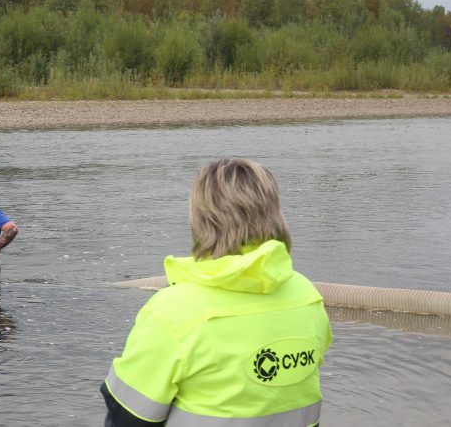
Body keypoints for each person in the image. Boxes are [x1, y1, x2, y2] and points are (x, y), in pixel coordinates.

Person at [102, 158, 333, 426]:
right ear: (274, 212)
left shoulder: (172, 311)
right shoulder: (306, 295)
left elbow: (127, 415)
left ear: (201, 218)